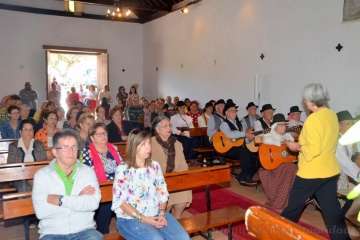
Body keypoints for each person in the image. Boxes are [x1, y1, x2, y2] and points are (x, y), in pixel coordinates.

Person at [282, 83, 350, 240]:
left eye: (305, 99)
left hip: (311, 173)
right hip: (330, 171)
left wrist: (295, 146)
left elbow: (312, 150)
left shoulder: (312, 120)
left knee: (292, 210)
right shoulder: (332, 115)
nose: (304, 102)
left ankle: (274, 234)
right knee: (333, 215)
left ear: (311, 101)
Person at [111, 129, 190, 240]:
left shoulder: (154, 166)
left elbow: (162, 192)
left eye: (149, 143)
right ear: (134, 146)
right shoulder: (123, 169)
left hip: (157, 213)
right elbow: (121, 202)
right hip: (131, 218)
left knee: (183, 237)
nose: (148, 148)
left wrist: (162, 213)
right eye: (144, 144)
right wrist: (144, 219)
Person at [32, 130, 102, 240]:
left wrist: (60, 200)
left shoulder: (87, 172)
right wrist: (78, 198)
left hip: (84, 230)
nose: (71, 151)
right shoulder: (42, 175)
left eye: (74, 147)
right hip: (52, 232)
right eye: (65, 147)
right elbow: (41, 212)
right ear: (55, 152)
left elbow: (93, 204)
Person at [83, 123, 123, 234]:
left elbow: (122, 167)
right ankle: (102, 232)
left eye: (104, 133)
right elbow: (86, 173)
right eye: (99, 134)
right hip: (100, 189)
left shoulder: (113, 148)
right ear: (92, 137)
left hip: (118, 187)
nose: (103, 136)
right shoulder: (87, 151)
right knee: (105, 208)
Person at [151, 116, 192, 218]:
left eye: (169, 125)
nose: (169, 128)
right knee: (164, 210)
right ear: (157, 129)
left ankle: (176, 219)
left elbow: (183, 165)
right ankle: (163, 219)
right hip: (157, 182)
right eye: (165, 126)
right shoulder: (150, 143)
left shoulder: (177, 144)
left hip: (174, 179)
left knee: (183, 194)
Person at [258, 113, 297, 212]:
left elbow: (291, 154)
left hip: (284, 164)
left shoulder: (288, 136)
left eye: (284, 125)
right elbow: (264, 140)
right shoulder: (269, 135)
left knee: (292, 168)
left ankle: (284, 201)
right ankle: (279, 202)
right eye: (280, 125)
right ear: (275, 126)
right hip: (273, 164)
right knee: (291, 169)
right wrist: (282, 143)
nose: (283, 127)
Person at [219, 101, 258, 185]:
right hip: (228, 149)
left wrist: (250, 139)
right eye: (232, 110)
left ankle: (244, 176)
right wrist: (245, 134)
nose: (235, 112)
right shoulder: (224, 124)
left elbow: (244, 138)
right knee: (244, 152)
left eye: (235, 111)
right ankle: (245, 178)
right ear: (226, 113)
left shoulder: (239, 123)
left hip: (239, 147)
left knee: (255, 153)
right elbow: (230, 135)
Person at [336, 110, 360, 226]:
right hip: (336, 182)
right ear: (339, 125)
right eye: (349, 124)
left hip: (346, 178)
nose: (351, 127)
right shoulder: (337, 143)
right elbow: (347, 165)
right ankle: (346, 215)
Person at [7, 119, 47, 191]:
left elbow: (43, 163)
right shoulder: (13, 146)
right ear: (20, 132)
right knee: (24, 186)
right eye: (25, 129)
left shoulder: (39, 144)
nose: (28, 132)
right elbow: (11, 165)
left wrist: (33, 175)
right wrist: (27, 175)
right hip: (19, 177)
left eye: (31, 130)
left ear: (33, 132)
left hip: (37, 175)